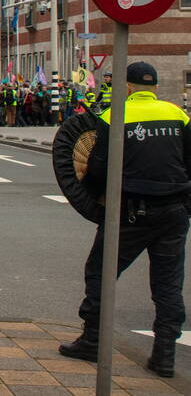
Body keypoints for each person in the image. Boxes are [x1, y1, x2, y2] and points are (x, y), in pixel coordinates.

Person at [58, 62, 190, 379]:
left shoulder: (114, 116)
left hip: (130, 213)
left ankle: (92, 341)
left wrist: (91, 196)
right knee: (168, 285)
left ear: (127, 87)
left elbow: (99, 168)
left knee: (100, 272)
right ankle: (164, 356)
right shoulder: (178, 115)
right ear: (154, 87)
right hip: (174, 212)